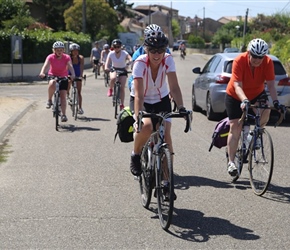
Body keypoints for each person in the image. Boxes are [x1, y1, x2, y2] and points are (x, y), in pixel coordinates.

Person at [129, 29, 186, 178]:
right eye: (153, 50)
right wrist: (138, 117)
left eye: (160, 50)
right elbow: (139, 95)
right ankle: (135, 154)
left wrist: (181, 107)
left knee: (166, 135)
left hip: (161, 100)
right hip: (142, 99)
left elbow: (174, 87)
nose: (156, 55)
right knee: (146, 127)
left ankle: (167, 181)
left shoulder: (168, 60)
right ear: (146, 49)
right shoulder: (139, 63)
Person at [225, 38, 285, 176]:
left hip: (257, 93)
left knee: (266, 109)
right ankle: (231, 162)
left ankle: (258, 132)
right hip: (235, 95)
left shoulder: (268, 62)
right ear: (249, 53)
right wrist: (244, 100)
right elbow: (237, 85)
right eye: (255, 56)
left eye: (261, 57)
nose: (257, 60)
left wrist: (276, 102)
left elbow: (270, 85)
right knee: (235, 127)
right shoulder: (239, 60)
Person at [39, 41, 75, 122]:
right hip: (53, 75)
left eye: (61, 50)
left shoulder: (67, 57)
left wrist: (73, 74)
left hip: (63, 76)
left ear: (63, 50)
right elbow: (46, 65)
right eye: (57, 50)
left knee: (63, 96)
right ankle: (49, 100)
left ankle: (63, 115)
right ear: (54, 50)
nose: (59, 51)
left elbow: (70, 66)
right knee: (52, 83)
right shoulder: (50, 57)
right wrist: (42, 73)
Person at [127, 24, 171, 91]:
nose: (155, 39)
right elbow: (134, 70)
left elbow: (169, 70)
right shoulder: (138, 53)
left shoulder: (166, 50)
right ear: (145, 37)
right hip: (138, 82)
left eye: (158, 36)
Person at [105, 39, 132, 110]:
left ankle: (122, 104)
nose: (116, 48)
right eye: (115, 46)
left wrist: (128, 64)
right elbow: (107, 63)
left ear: (120, 47)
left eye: (118, 46)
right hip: (114, 69)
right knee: (113, 78)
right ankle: (110, 89)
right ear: (112, 47)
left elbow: (130, 58)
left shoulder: (124, 53)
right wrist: (106, 68)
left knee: (122, 87)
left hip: (123, 70)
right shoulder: (111, 53)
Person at [67, 43, 85, 115]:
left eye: (77, 51)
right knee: (68, 83)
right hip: (70, 74)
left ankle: (80, 108)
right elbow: (66, 67)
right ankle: (68, 96)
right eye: (74, 51)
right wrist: (67, 75)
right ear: (71, 51)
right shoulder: (68, 58)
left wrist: (81, 75)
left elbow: (81, 67)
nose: (75, 52)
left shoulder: (80, 58)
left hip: (77, 74)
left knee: (79, 92)